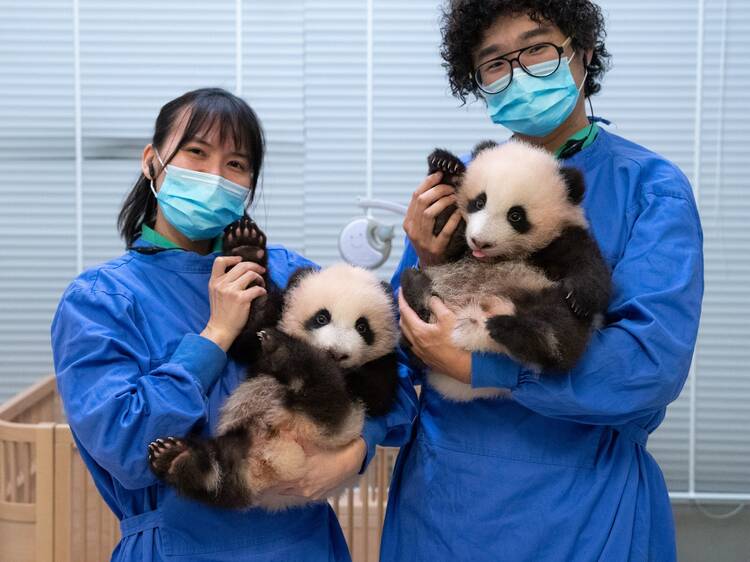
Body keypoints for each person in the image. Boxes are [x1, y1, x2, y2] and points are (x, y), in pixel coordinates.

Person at [380, 2, 704, 561]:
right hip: (444, 505)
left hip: (581, 507)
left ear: (582, 52)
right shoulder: (462, 185)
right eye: (496, 61)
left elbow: (647, 367)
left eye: (536, 48)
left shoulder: (650, 189)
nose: (518, 71)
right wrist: (429, 263)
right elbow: (394, 350)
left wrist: (483, 364)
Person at [51, 88, 370, 561]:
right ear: (152, 162)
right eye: (196, 153)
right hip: (178, 547)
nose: (214, 176)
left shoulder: (285, 273)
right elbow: (125, 449)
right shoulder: (101, 300)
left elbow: (387, 378)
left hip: (305, 542)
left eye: (236, 165)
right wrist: (215, 336)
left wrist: (353, 454)